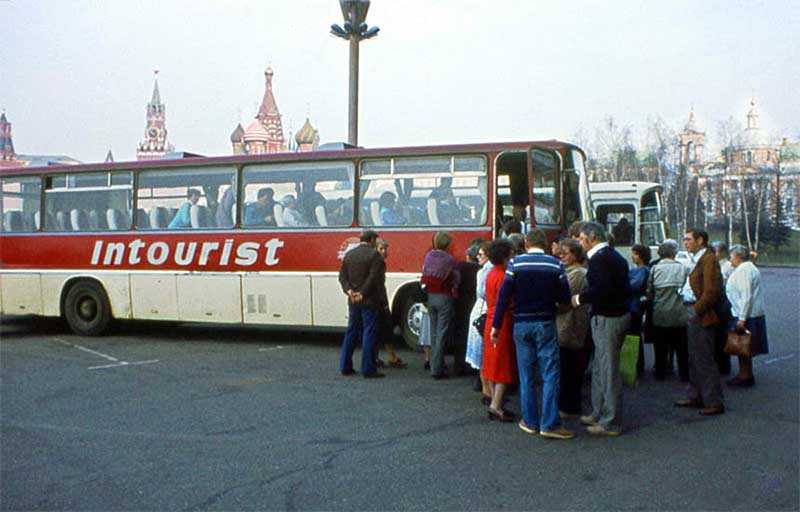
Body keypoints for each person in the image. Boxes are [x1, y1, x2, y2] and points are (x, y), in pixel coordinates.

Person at [492, 229, 573, 439]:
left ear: (526, 243)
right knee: (550, 374)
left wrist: (496, 326)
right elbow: (564, 297)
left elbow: (503, 297)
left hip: (521, 323)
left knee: (526, 374)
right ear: (544, 243)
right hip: (545, 322)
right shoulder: (556, 264)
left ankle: (529, 421)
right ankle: (549, 423)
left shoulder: (515, 264)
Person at [571, 221, 631, 436]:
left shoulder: (600, 259)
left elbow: (601, 290)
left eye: (580, 238)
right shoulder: (611, 256)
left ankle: (611, 421)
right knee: (599, 367)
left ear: (592, 236)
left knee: (608, 370)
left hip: (608, 317)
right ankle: (599, 411)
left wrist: (579, 298)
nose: (579, 242)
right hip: (611, 316)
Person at [674, 228, 725, 415]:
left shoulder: (709, 259)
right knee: (694, 357)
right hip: (693, 310)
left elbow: (712, 291)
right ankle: (696, 395)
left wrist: (696, 310)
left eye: (688, 239)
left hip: (701, 313)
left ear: (700, 240)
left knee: (704, 358)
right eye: (684, 239)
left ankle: (713, 401)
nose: (685, 243)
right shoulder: (700, 259)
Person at [338, 230, 386, 379]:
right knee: (369, 333)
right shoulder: (374, 256)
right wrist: (362, 293)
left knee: (351, 331)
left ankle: (345, 365)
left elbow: (342, 277)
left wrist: (350, 291)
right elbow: (373, 279)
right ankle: (368, 368)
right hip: (370, 301)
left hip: (353, 300)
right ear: (371, 240)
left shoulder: (350, 255)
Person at [725, 245, 769, 387]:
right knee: (745, 348)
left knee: (742, 347)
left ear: (738, 256)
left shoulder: (744, 270)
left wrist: (742, 318)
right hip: (751, 314)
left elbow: (746, 295)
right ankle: (746, 374)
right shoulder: (749, 268)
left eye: (731, 256)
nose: (730, 259)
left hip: (745, 315)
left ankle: (745, 376)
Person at [483, 239, 516, 422]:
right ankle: (496, 405)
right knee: (502, 364)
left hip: (491, 317)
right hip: (502, 320)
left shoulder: (491, 273)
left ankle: (495, 401)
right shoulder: (504, 276)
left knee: (493, 362)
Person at [646, 239, 689, 381]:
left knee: (660, 346)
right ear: (674, 253)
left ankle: (660, 372)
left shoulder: (655, 268)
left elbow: (649, 291)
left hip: (660, 311)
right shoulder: (682, 268)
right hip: (679, 312)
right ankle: (684, 373)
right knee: (681, 347)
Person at [556, 238, 589, 420]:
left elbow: (567, 298)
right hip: (567, 322)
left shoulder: (577, 274)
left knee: (570, 366)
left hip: (572, 323)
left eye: (566, 253)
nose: (562, 256)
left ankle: (570, 405)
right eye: (561, 252)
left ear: (576, 255)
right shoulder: (569, 271)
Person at [421, 231, 460, 379]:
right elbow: (456, 279)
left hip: (430, 296)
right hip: (444, 297)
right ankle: (437, 369)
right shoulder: (450, 259)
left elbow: (424, 272)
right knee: (442, 333)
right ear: (447, 244)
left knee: (434, 332)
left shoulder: (429, 256)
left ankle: (433, 363)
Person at [374, 238, 407, 369]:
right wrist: (384, 303)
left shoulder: (379, 262)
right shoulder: (377, 263)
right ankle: (389, 357)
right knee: (384, 329)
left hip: (379, 300)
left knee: (384, 329)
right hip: (378, 301)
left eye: (385, 249)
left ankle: (384, 356)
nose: (384, 251)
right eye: (381, 249)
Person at [452, 239, 483, 376]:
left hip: (460, 303)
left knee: (459, 335)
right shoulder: (480, 270)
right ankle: (471, 365)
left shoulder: (459, 267)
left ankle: (458, 366)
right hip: (473, 303)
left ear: (467, 255)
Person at [466, 241, 492, 401]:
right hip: (484, 308)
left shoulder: (484, 270)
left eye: (481, 254)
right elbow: (483, 292)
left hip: (480, 309)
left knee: (482, 352)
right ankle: (486, 389)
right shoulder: (486, 270)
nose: (478, 257)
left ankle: (485, 389)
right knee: (484, 352)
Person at [711, 241, 733, 375]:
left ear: (723, 252)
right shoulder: (715, 264)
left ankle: (724, 366)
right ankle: (717, 364)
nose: (714, 254)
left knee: (722, 336)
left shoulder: (728, 267)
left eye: (716, 251)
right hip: (716, 304)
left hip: (724, 305)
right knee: (715, 337)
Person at [629, 244, 651, 374]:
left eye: (635, 254)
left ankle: (637, 364)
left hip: (634, 306)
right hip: (635, 305)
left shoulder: (642, 271)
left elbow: (634, 286)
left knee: (634, 335)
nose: (632, 256)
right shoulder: (639, 270)